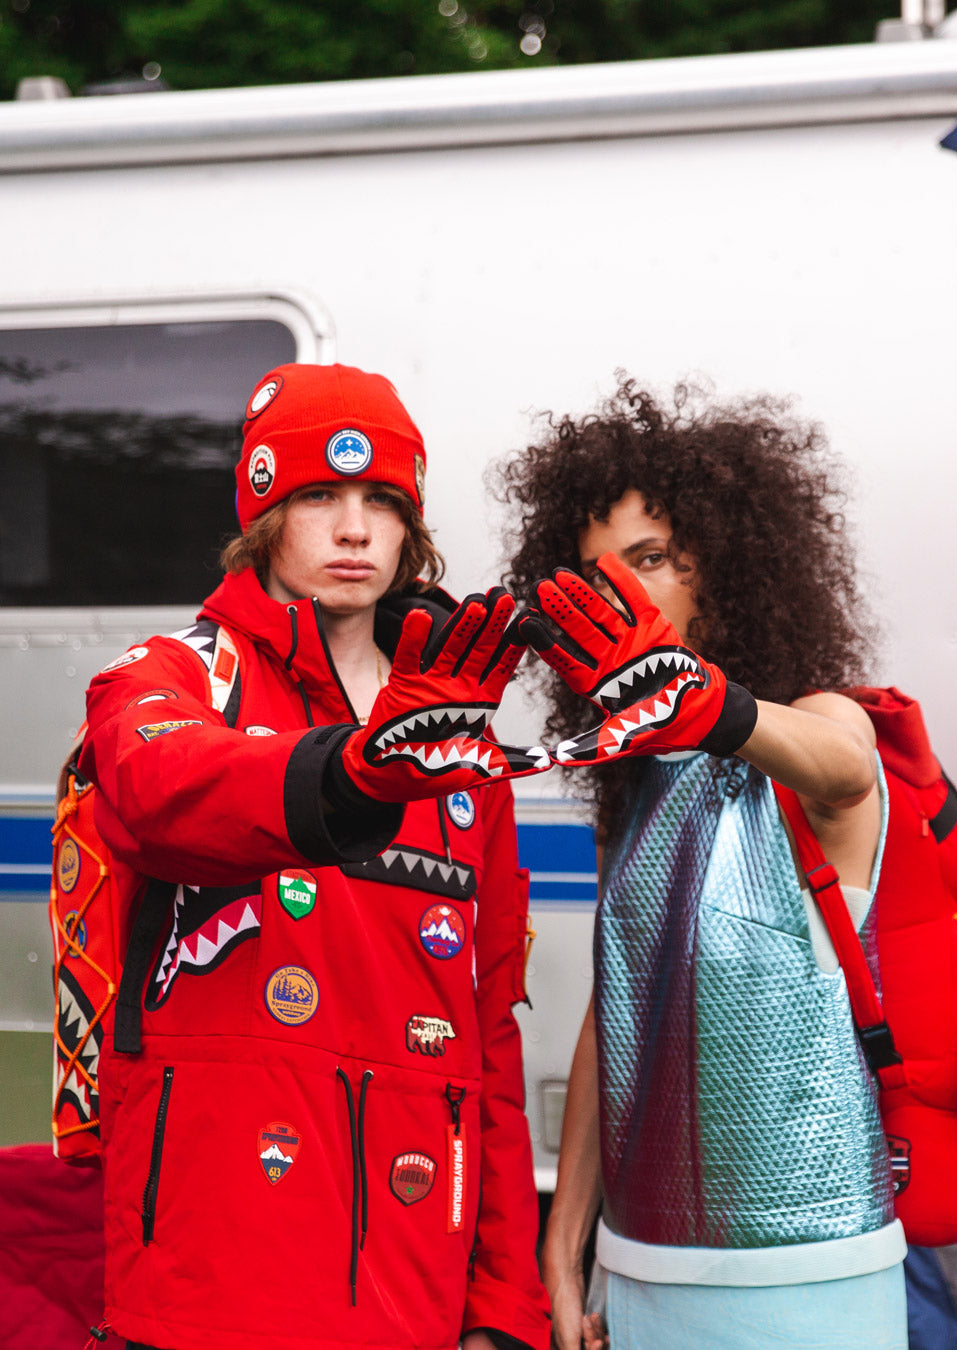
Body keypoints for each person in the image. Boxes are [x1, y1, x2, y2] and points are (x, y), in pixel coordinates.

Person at [78, 363, 551, 1350]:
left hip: (413, 1288)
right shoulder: (175, 673)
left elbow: (489, 1040)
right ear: (263, 516)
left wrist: (505, 1306)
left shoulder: (460, 744)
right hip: (211, 1290)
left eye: (382, 500)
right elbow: (156, 784)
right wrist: (353, 774)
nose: (354, 529)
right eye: (319, 497)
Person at [496, 379, 907, 1349]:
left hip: (810, 1276)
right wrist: (566, 1249)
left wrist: (710, 704)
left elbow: (847, 767)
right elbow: (613, 1015)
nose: (626, 596)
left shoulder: (818, 720)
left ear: (726, 566)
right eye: (597, 577)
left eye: (652, 559)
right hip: (642, 1270)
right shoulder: (634, 781)